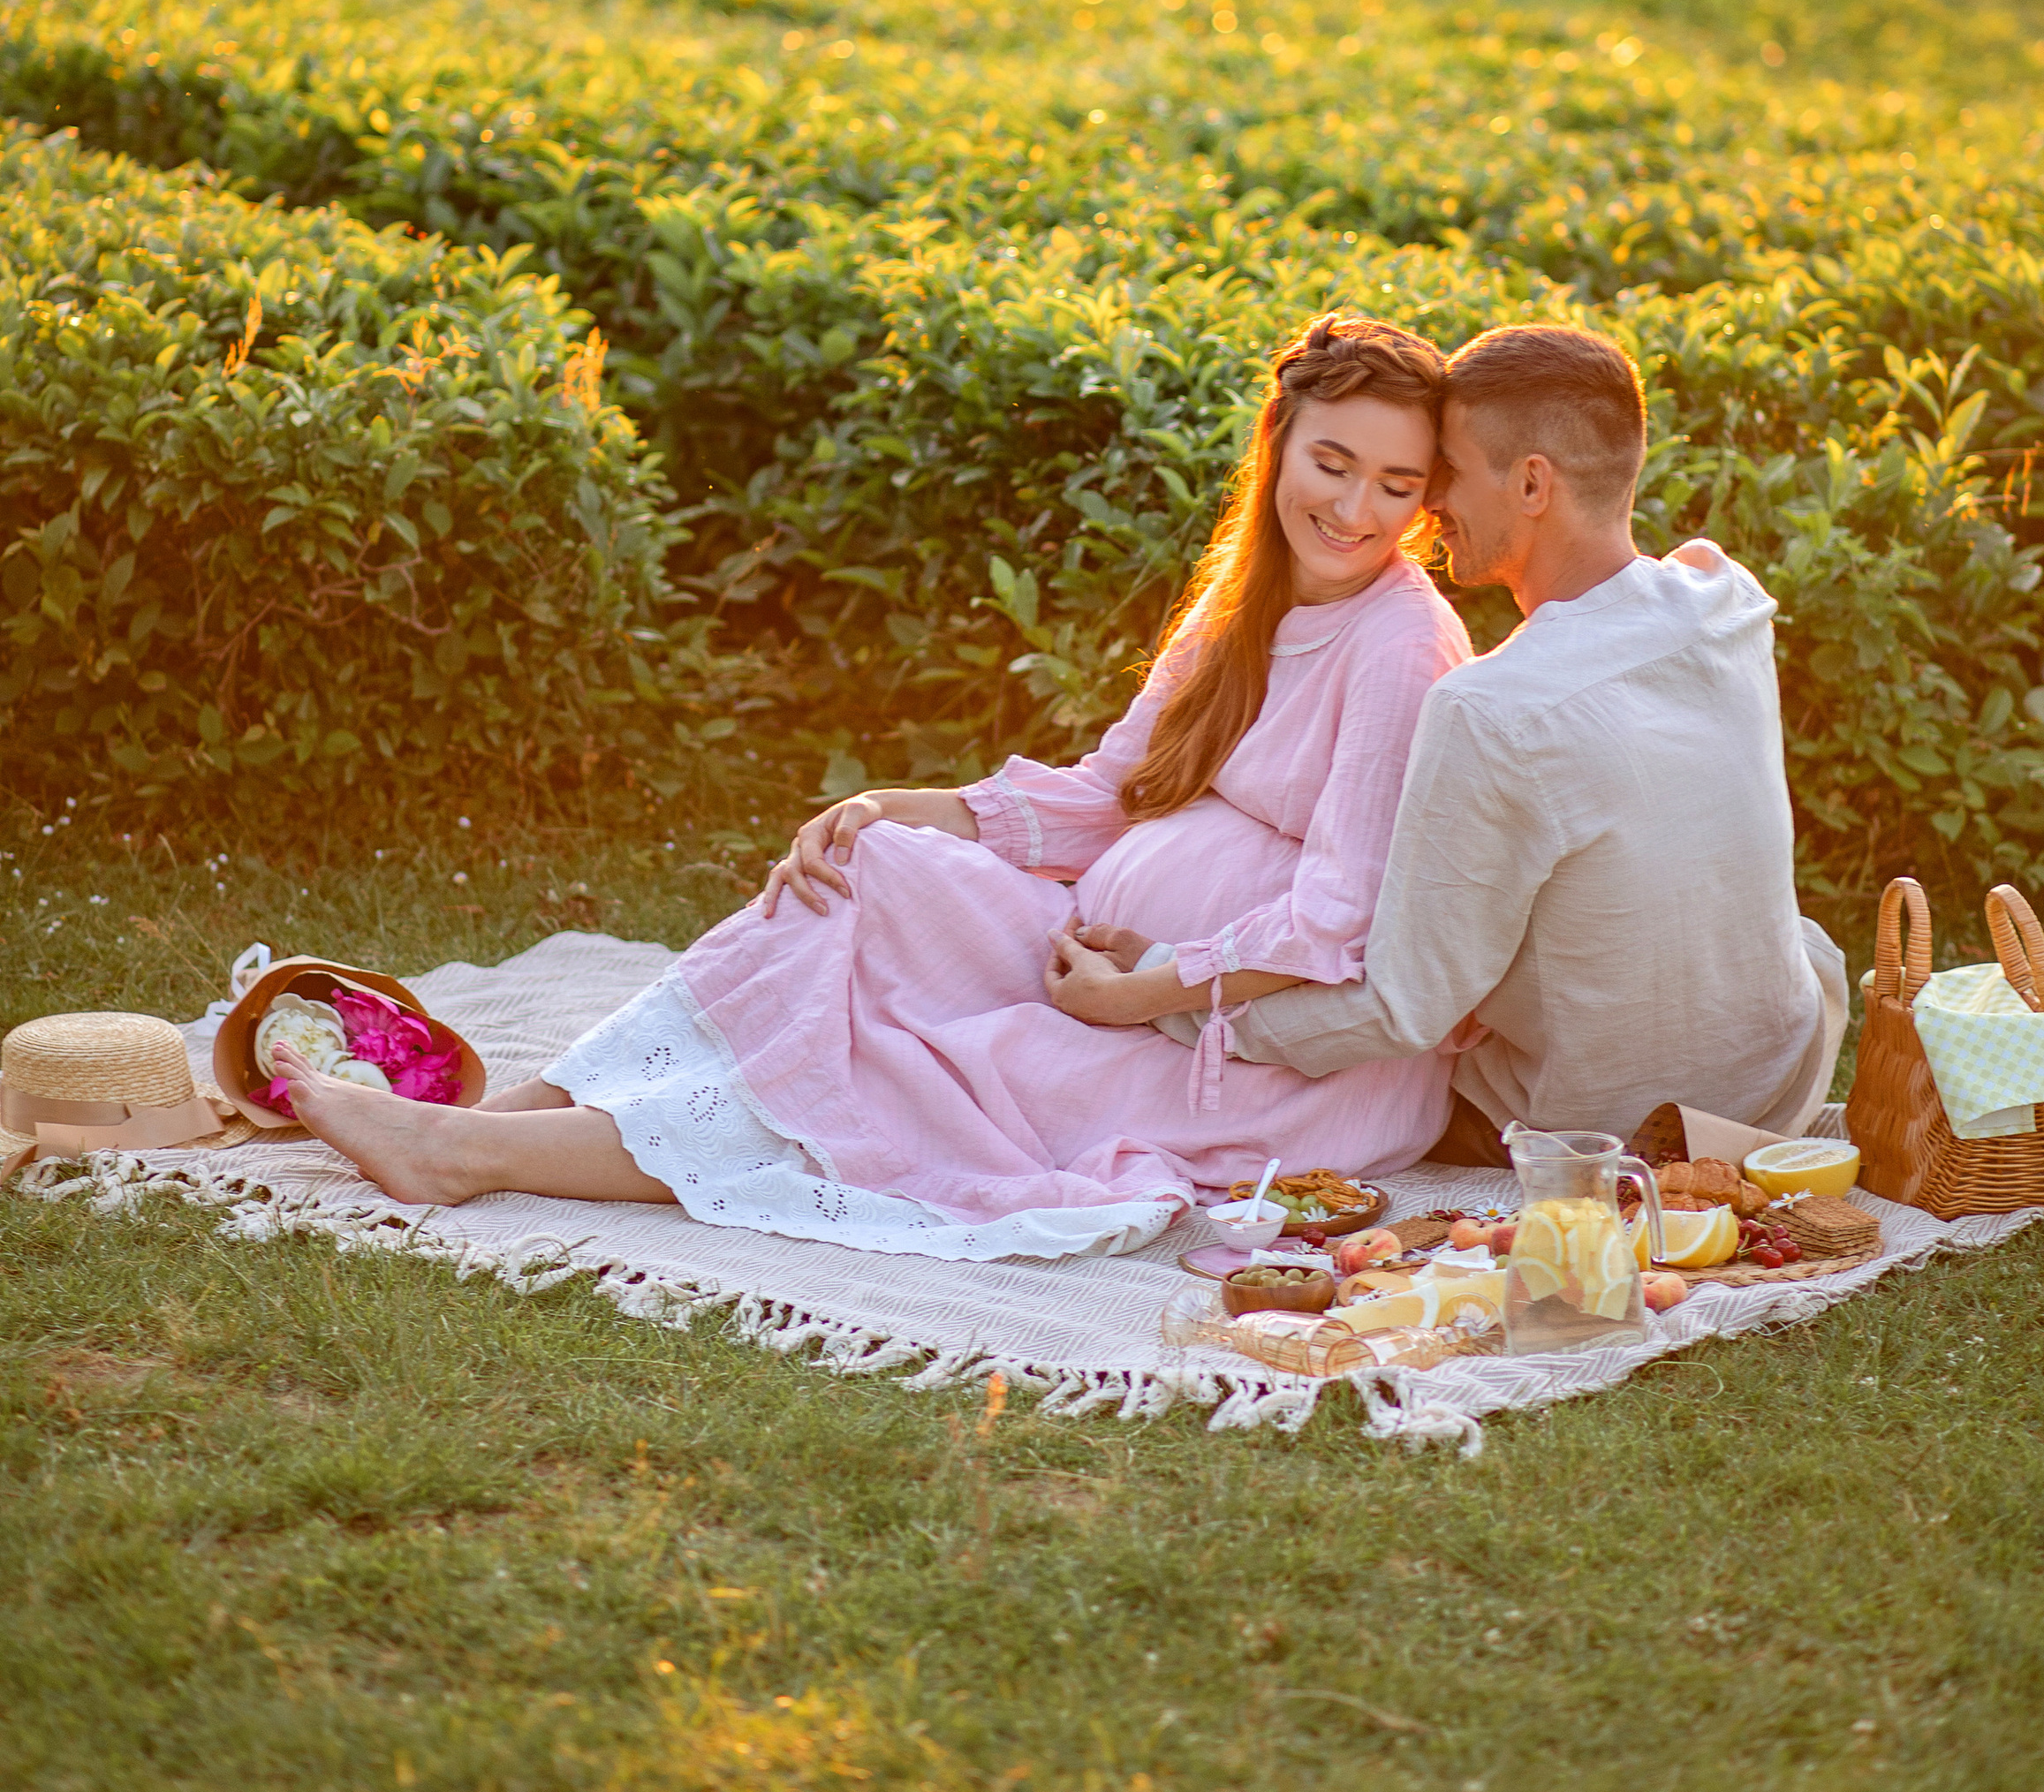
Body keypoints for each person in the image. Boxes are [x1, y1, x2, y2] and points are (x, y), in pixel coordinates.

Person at [270, 313, 1473, 1254]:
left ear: (1427, 498)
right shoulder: (1243, 604)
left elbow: (1338, 918)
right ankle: (500, 1118)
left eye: (1396, 486)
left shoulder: (1397, 645)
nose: (1356, 509)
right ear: (1279, 448)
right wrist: (904, 807)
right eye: (1332, 463)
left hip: (1257, 1051)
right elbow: (1113, 793)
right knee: (861, 873)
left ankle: (465, 1157)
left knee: (916, 1079)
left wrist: (1140, 991)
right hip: (1109, 965)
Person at [1061, 321, 1843, 1153]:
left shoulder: (1490, 710)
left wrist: (1155, 1000)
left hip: (1615, 1123)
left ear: (1533, 485)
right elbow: (1689, 559)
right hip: (1775, 1072)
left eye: (1451, 475)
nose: (1429, 506)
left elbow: (1401, 1008)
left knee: (1344, 1066)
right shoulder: (1723, 597)